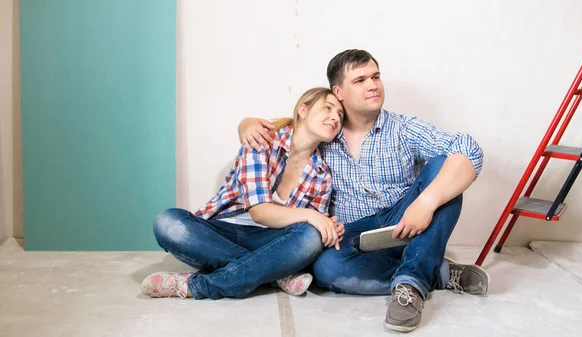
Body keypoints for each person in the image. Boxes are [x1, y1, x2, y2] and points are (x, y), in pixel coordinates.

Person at [239, 49, 489, 332]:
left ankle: (410, 287)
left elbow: (469, 150)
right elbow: (292, 130)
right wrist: (245, 124)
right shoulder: (326, 131)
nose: (373, 85)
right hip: (356, 235)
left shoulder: (403, 129)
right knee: (326, 269)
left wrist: (426, 203)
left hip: (409, 221)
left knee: (445, 165)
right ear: (339, 92)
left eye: (376, 77)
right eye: (360, 80)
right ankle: (437, 272)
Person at [141, 87, 345, 300]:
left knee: (311, 237)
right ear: (303, 110)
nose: (334, 118)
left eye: (340, 115)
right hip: (222, 232)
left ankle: (200, 285)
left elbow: (309, 228)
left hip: (272, 240)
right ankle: (273, 273)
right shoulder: (262, 140)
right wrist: (313, 216)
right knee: (167, 223)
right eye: (328, 108)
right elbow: (259, 212)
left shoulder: (322, 174)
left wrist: (327, 226)